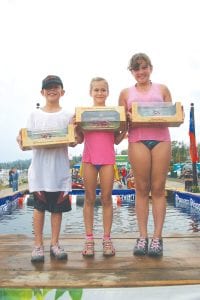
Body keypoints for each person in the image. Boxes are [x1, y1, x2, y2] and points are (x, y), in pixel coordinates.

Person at [119, 53, 172, 257]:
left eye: (143, 67)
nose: (140, 72)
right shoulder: (125, 93)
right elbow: (121, 122)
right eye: (136, 69)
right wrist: (127, 117)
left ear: (151, 68)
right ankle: (142, 236)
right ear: (131, 71)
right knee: (141, 189)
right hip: (138, 140)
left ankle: (157, 238)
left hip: (161, 140)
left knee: (158, 189)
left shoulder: (163, 89)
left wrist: (180, 113)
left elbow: (172, 115)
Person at [17, 75, 73, 263]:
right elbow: (26, 143)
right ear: (42, 92)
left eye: (56, 86)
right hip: (39, 173)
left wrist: (78, 135)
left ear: (62, 92)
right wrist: (21, 140)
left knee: (57, 211)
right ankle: (38, 245)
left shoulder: (68, 116)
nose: (52, 89)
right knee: (39, 210)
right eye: (48, 87)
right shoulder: (34, 115)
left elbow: (74, 141)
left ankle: (54, 244)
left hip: (60, 172)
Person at [76, 77, 126, 257]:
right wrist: (74, 127)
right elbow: (79, 139)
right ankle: (89, 239)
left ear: (108, 92)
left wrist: (126, 125)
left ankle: (106, 239)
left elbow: (117, 140)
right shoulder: (84, 113)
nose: (99, 93)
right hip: (89, 159)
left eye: (103, 90)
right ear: (90, 92)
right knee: (89, 198)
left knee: (106, 198)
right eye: (96, 90)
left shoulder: (114, 113)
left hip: (107, 160)